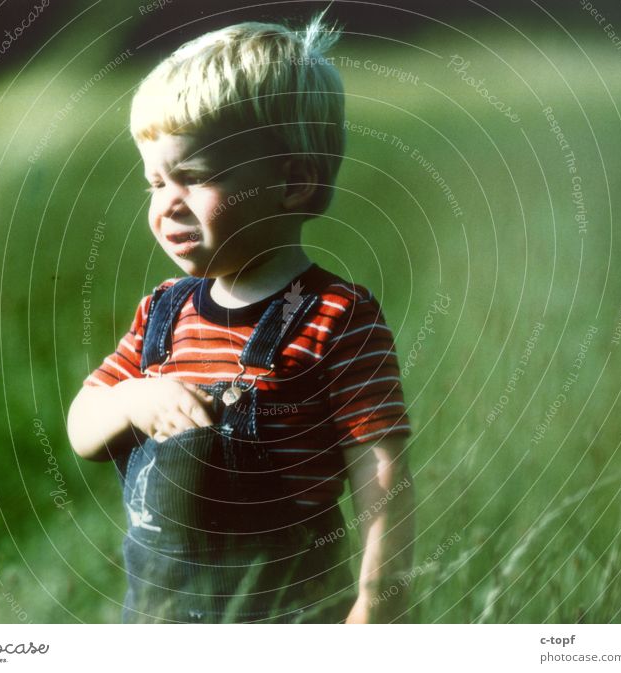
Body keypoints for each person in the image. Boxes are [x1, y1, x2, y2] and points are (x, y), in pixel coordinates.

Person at [66, 13, 415, 624]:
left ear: (293, 183)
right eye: (155, 182)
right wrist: (132, 400)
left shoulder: (336, 317)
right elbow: (82, 427)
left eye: (194, 178)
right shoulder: (163, 313)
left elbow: (379, 470)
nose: (168, 203)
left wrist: (379, 598)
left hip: (289, 613)